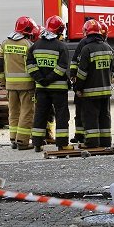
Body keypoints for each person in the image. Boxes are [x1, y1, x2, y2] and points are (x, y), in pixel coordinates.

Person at [26, 15, 70, 152]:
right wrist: (50, 78)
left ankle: (37, 143)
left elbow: (30, 65)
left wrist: (41, 79)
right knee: (62, 115)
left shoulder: (35, 46)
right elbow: (62, 67)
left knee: (40, 114)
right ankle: (62, 144)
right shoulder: (61, 46)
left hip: (41, 88)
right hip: (58, 89)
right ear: (60, 30)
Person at [0, 16, 39, 150]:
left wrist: (2, 80)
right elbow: (33, 65)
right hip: (27, 86)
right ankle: (23, 141)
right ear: (26, 30)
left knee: (13, 112)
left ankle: (13, 139)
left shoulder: (5, 43)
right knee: (26, 112)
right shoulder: (27, 44)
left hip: (10, 86)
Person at [73, 19, 114, 149]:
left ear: (86, 32)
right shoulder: (108, 48)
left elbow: (82, 73)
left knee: (90, 117)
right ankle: (106, 141)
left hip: (90, 92)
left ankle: (92, 143)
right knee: (104, 116)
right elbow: (112, 69)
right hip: (106, 91)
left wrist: (77, 87)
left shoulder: (87, 49)